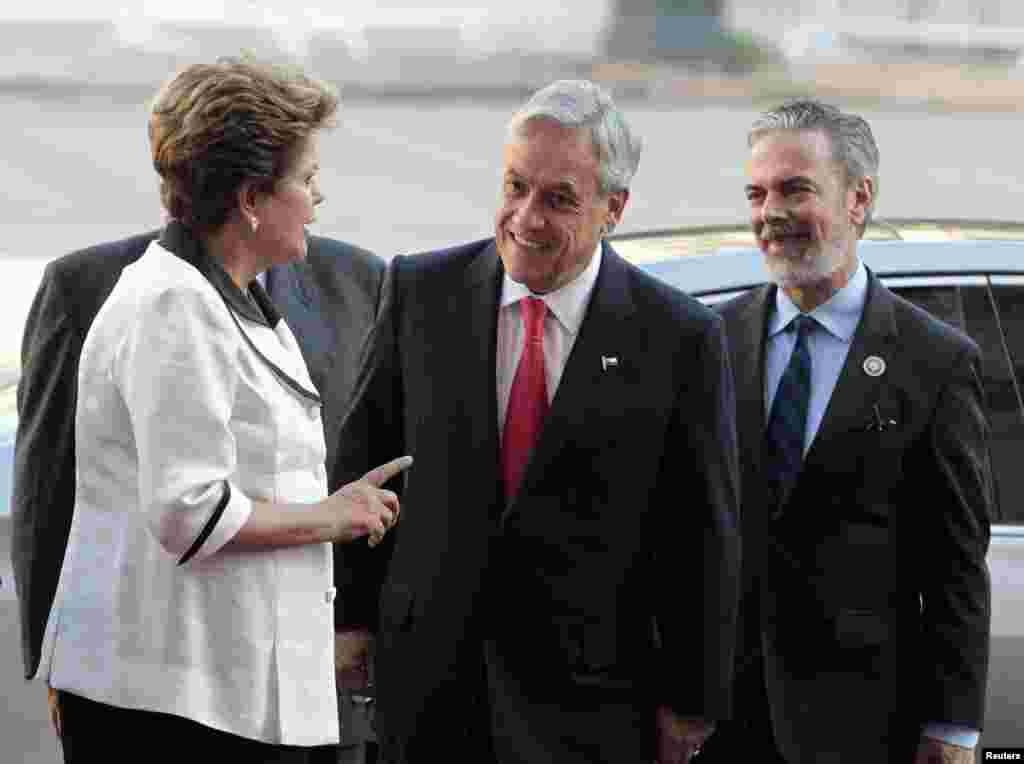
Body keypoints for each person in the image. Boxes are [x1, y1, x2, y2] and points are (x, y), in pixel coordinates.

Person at [331, 79, 741, 764]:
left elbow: (703, 536)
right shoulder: (419, 293)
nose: (525, 218)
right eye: (515, 187)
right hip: (429, 688)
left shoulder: (680, 337)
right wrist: (350, 619)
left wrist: (691, 702)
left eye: (557, 199)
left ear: (614, 208)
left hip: (592, 704)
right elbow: (362, 465)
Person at [22, 58, 410, 763]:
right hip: (174, 709)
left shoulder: (228, 298)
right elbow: (189, 512)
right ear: (253, 199)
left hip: (228, 693)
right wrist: (336, 514)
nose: (319, 199)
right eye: (307, 178)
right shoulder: (174, 305)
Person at [698, 99, 992, 763]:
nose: (770, 213)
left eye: (796, 189)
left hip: (861, 725)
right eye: (757, 192)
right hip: (719, 726)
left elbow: (955, 570)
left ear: (859, 199)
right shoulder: (712, 340)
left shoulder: (936, 362)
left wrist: (954, 727)